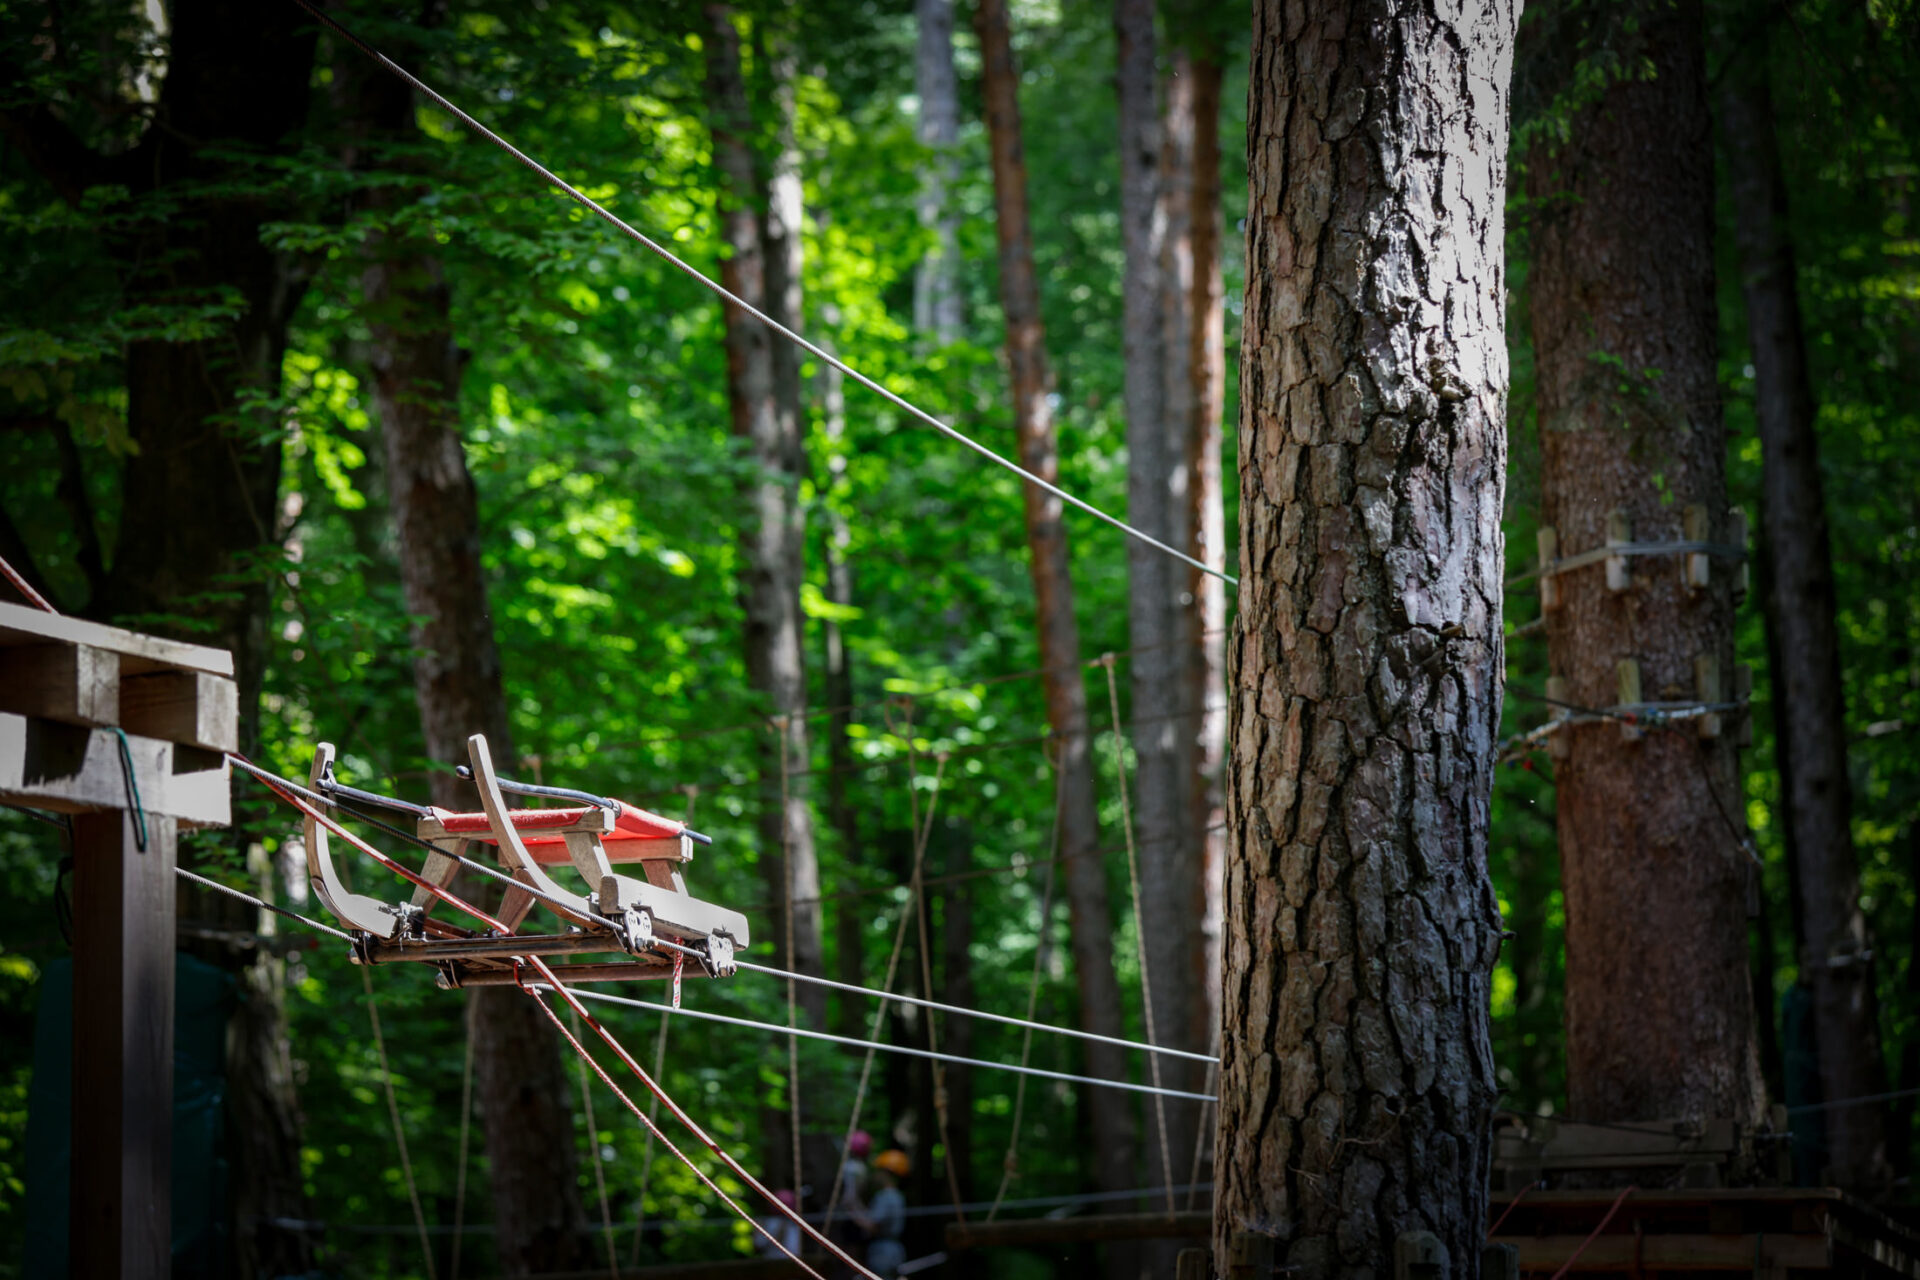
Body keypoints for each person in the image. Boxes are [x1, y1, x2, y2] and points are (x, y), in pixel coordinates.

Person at [865, 1149, 910, 1278]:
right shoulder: (898, 1196)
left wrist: (852, 1211)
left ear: (887, 1173)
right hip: (896, 1250)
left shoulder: (884, 1196)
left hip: (882, 1251)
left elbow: (873, 1226)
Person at [755, 1188, 802, 1259]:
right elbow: (758, 1245)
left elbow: (758, 1244)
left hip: (785, 1262)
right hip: (777, 1262)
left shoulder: (793, 1223)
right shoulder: (770, 1222)